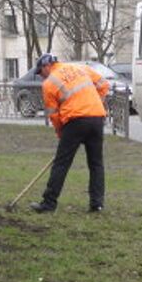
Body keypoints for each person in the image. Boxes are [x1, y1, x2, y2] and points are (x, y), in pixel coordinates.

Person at [30, 53, 110, 213]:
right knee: (96, 163)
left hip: (74, 121)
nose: (41, 76)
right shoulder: (80, 68)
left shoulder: (49, 84)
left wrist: (61, 133)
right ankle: (97, 204)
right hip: (96, 118)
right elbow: (103, 85)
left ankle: (48, 203)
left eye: (40, 72)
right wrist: (95, 101)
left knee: (61, 163)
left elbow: (53, 115)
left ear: (47, 66)